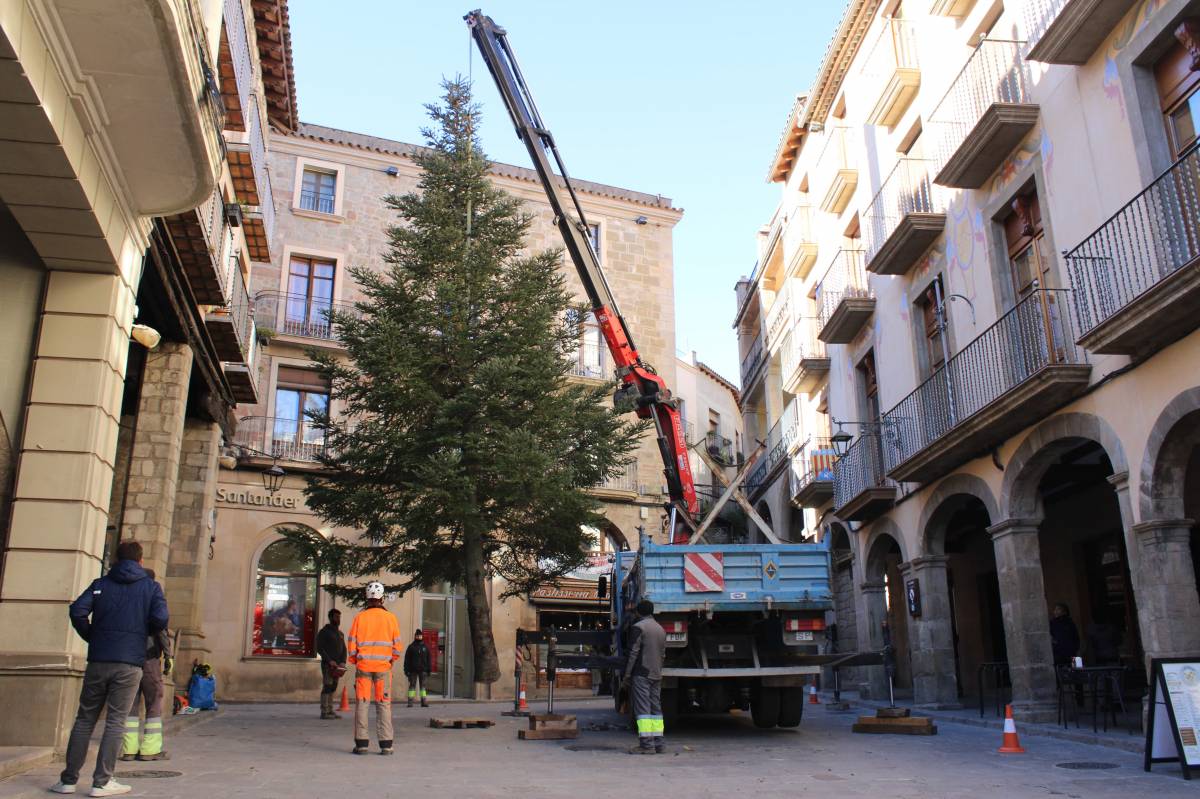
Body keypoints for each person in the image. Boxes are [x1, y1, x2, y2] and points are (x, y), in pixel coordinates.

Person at [53, 540, 168, 797]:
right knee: (116, 721)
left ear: (116, 559)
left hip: (99, 660)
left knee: (84, 719)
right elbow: (161, 619)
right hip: (129, 663)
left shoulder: (100, 584)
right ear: (140, 561)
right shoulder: (151, 587)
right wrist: (140, 634)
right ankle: (102, 781)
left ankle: (68, 780)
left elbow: (77, 611)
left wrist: (93, 636)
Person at [120, 568, 173, 762]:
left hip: (127, 658)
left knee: (130, 703)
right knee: (154, 701)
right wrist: (168, 655)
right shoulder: (152, 597)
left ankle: (129, 748)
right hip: (149, 657)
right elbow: (161, 629)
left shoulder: (126, 600)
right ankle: (150, 749)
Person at [346, 582, 402, 755]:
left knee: (362, 704)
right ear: (382, 598)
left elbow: (352, 644)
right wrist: (390, 661)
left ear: (367, 598)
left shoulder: (360, 618)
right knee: (383, 704)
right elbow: (397, 647)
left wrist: (356, 660)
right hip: (383, 669)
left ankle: (362, 744)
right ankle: (386, 745)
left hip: (363, 667)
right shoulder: (391, 618)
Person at [621, 599, 667, 755]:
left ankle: (646, 745)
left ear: (638, 612)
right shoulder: (660, 629)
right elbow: (663, 654)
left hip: (641, 673)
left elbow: (633, 653)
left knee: (643, 711)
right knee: (656, 709)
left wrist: (627, 675)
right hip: (656, 673)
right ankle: (659, 744)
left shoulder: (638, 627)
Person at [317, 609, 348, 719]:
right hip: (328, 665)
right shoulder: (324, 632)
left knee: (333, 687)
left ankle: (330, 710)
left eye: (339, 617)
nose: (338, 619)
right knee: (327, 686)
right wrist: (329, 660)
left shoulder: (340, 634)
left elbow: (344, 649)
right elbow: (319, 648)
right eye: (336, 617)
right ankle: (324, 711)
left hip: (338, 666)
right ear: (330, 618)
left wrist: (343, 662)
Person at [403, 629, 431, 708]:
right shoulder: (411, 647)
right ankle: (410, 702)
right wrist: (406, 670)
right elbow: (407, 660)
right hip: (413, 670)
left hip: (423, 670)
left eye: (420, 636)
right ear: (415, 636)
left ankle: (424, 702)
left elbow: (429, 659)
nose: (419, 637)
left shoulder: (425, 647)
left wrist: (429, 669)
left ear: (422, 636)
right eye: (418, 636)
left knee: (423, 687)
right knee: (412, 686)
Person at [1049, 602, 1080, 666]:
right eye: (1055, 610)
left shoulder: (1069, 623)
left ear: (1064, 611)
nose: (1055, 611)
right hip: (1058, 653)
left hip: (1070, 652)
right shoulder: (1053, 623)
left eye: (1058, 609)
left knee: (1073, 670)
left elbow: (1075, 637)